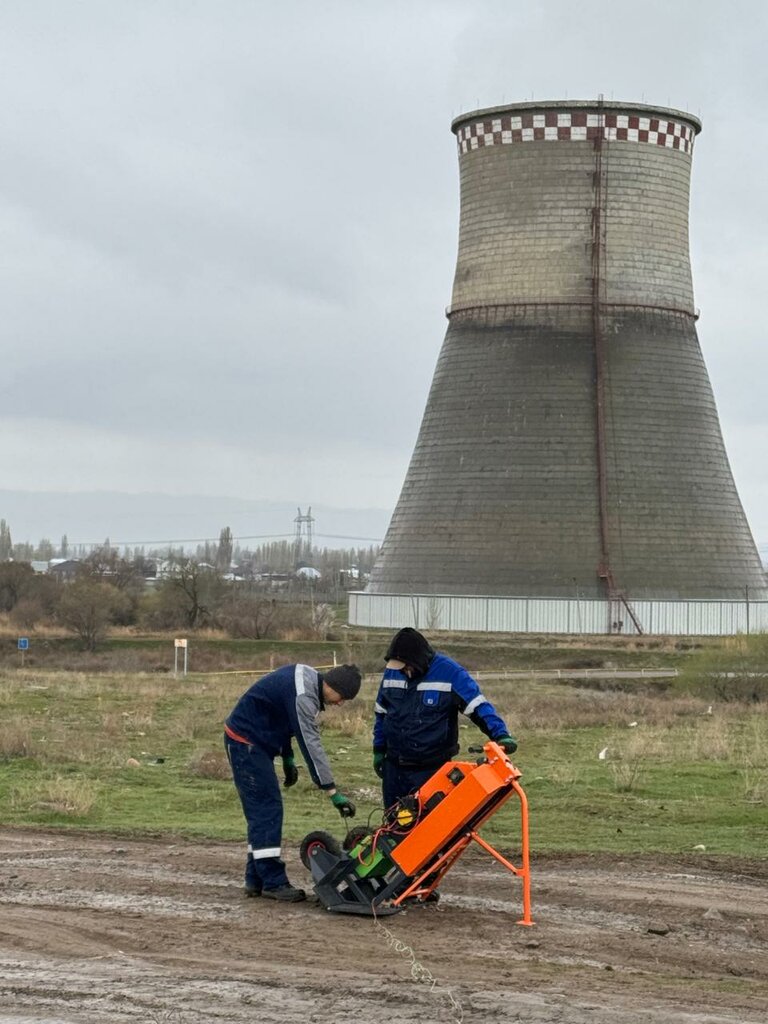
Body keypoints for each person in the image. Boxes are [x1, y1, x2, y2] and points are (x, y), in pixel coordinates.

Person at [225, 662, 361, 902]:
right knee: (267, 809)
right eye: (342, 697)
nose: (340, 703)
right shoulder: (304, 697)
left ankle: (254, 879)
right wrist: (331, 791)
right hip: (245, 742)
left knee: (262, 811)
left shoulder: (307, 680)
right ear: (333, 685)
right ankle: (273, 882)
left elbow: (283, 718)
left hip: (255, 741)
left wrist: (286, 756)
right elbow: (311, 745)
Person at [372, 628, 517, 808]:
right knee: (393, 825)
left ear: (417, 660)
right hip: (394, 769)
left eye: (406, 667)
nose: (403, 671)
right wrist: (378, 749)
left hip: (431, 771)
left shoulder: (450, 673)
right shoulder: (392, 673)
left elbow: (477, 706)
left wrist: (500, 734)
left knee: (428, 828)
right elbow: (381, 713)